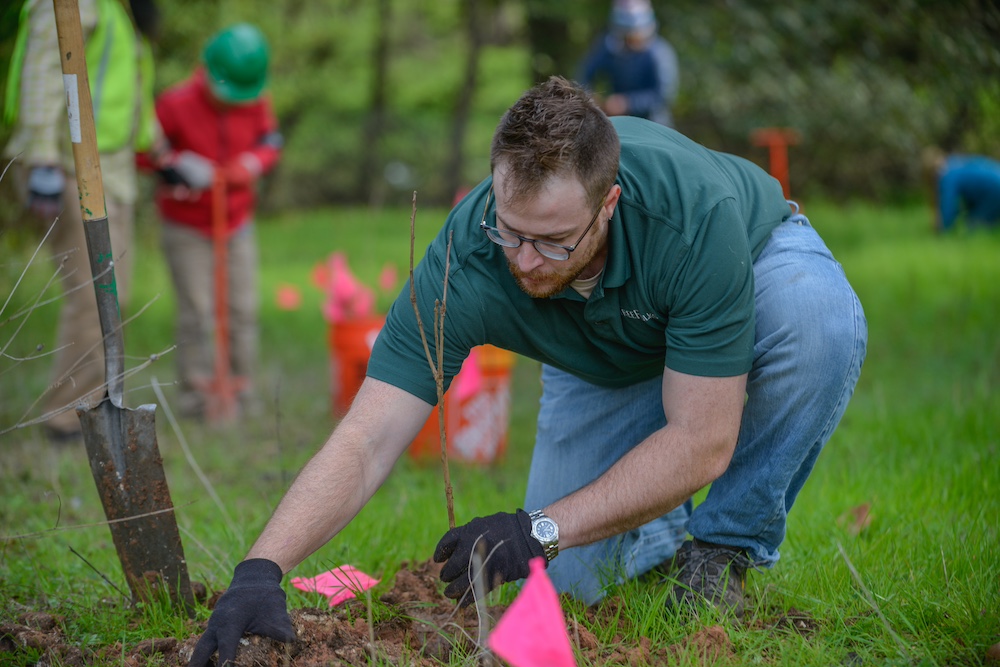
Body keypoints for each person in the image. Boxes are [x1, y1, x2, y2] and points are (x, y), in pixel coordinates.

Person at [190, 77, 867, 665]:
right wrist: (262, 566)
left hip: (747, 273)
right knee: (572, 587)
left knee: (820, 323)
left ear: (608, 206)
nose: (525, 261)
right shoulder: (471, 255)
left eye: (552, 241)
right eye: (510, 230)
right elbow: (369, 435)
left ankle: (722, 548)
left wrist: (538, 526)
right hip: (598, 354)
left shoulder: (691, 220)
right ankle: (654, 529)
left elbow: (704, 438)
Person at [2, 0, 162, 442]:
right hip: (69, 162)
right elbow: (41, 73)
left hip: (109, 164)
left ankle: (84, 404)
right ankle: (67, 417)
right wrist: (40, 161)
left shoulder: (119, 9)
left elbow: (126, 85)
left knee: (111, 290)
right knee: (96, 292)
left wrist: (159, 149)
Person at [138, 23, 282, 419]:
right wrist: (175, 167)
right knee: (197, 310)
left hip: (236, 220)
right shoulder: (175, 104)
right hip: (187, 224)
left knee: (242, 307)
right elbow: (144, 153)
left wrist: (250, 165)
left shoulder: (256, 100)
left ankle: (240, 388)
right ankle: (197, 396)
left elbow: (270, 142)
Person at [577, 0, 680, 127]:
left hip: (653, 124)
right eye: (626, 35)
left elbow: (664, 96)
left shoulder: (659, 53)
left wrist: (627, 103)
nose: (631, 40)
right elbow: (585, 72)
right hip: (619, 123)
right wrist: (589, 97)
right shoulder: (610, 47)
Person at [921, 148, 1000, 232]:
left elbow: (948, 208)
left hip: (995, 190)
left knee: (972, 226)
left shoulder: (948, 176)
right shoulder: (955, 161)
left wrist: (941, 229)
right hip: (995, 181)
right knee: (972, 214)